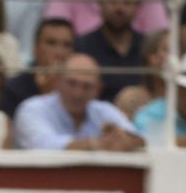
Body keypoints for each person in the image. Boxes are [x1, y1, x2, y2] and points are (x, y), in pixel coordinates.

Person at [11, 52, 145, 149]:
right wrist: (96, 144)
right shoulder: (32, 109)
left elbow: (138, 139)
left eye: (87, 86)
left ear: (98, 89)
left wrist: (122, 138)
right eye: (71, 83)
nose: (78, 93)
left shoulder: (103, 110)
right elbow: (42, 145)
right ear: (57, 81)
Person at [74, 0, 147, 101]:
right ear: (100, 3)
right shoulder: (82, 46)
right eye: (113, 2)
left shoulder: (147, 47)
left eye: (127, 3)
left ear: (138, 6)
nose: (119, 9)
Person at [1, 16, 76, 114]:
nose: (59, 52)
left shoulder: (80, 88)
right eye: (51, 43)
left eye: (67, 45)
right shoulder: (13, 90)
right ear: (35, 48)